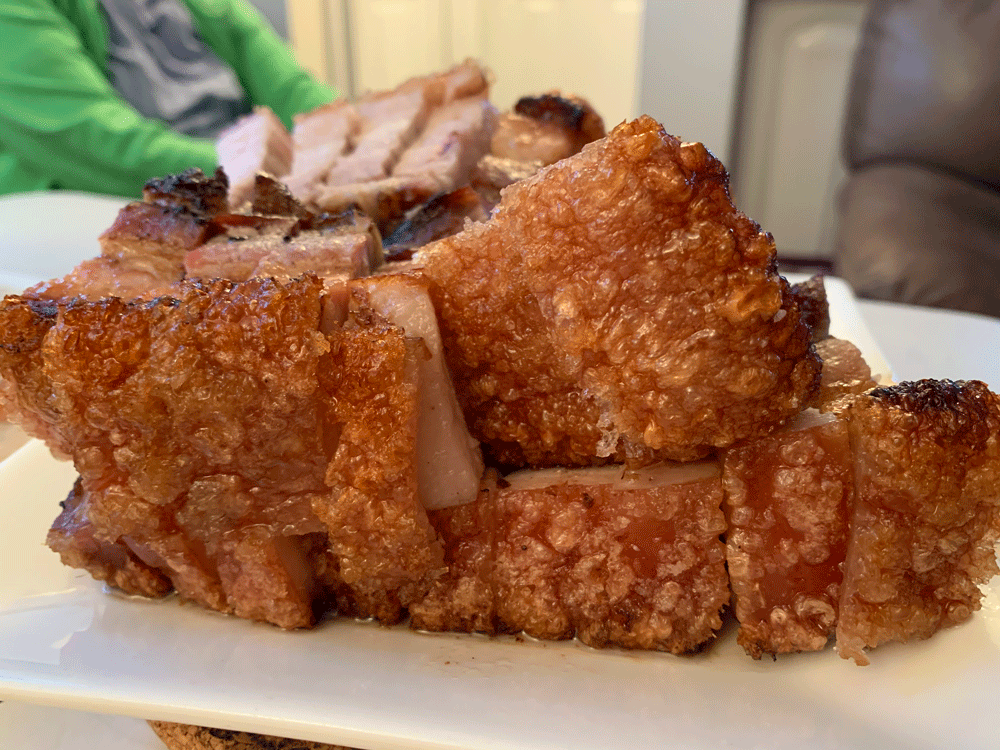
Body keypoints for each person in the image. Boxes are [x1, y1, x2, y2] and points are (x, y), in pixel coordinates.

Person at [0, 0, 336, 198]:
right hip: (125, 199)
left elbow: (292, 89)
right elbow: (90, 144)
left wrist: (345, 140)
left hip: (262, 177)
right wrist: (266, 171)